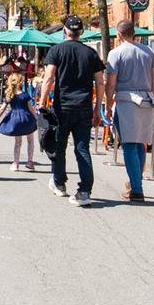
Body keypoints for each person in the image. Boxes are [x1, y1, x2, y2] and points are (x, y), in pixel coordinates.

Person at [39, 16, 105, 205]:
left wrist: (42, 102)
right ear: (81, 32)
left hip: (62, 107)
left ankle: (59, 183)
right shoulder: (91, 53)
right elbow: (100, 82)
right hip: (84, 107)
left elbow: (49, 77)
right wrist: (97, 108)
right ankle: (84, 190)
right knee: (82, 148)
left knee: (58, 146)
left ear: (65, 31)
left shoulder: (56, 50)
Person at [102, 19, 154, 204]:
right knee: (139, 144)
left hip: (126, 100)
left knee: (128, 144)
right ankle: (136, 183)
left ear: (118, 35)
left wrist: (107, 102)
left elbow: (111, 83)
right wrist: (153, 96)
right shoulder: (148, 51)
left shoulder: (115, 53)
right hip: (146, 99)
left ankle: (136, 188)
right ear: (133, 33)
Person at [0, 71, 40, 171]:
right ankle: (30, 161)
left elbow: (2, 109)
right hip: (27, 119)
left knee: (18, 142)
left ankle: (15, 163)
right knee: (30, 140)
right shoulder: (25, 95)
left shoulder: (9, 95)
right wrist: (36, 117)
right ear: (21, 83)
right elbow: (31, 108)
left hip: (15, 120)